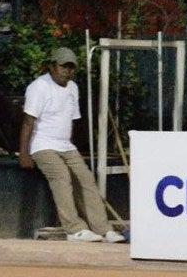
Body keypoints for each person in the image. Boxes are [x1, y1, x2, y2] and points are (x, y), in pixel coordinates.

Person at [18, 47, 124, 244]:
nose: (67, 71)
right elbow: (28, 121)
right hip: (42, 145)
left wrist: (70, 147)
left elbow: (71, 121)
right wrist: (24, 153)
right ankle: (74, 229)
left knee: (86, 180)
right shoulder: (38, 87)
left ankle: (103, 229)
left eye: (71, 67)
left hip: (66, 145)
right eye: (63, 66)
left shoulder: (73, 88)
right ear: (52, 66)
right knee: (61, 176)